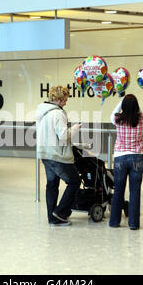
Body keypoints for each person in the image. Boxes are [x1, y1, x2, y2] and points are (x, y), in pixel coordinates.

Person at [36, 85, 81, 227]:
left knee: (52, 184)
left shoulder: (41, 111)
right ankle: (61, 213)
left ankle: (53, 218)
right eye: (65, 99)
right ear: (59, 99)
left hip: (45, 153)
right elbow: (63, 136)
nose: (66, 102)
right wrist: (74, 128)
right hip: (57, 155)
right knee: (74, 182)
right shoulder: (58, 114)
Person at [109, 94, 143, 230]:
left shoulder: (118, 119)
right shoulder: (141, 120)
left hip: (120, 157)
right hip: (137, 157)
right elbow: (142, 113)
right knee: (135, 191)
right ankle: (133, 224)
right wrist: (135, 105)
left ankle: (114, 222)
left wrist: (121, 102)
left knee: (118, 190)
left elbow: (112, 114)